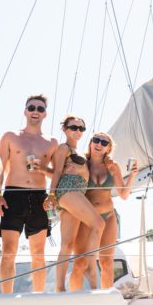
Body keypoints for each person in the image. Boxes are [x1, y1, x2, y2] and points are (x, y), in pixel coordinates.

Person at [0, 95, 58, 293]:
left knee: (38, 253)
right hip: (13, 194)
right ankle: (6, 297)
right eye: (31, 107)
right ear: (25, 111)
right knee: (8, 252)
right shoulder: (10, 136)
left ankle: (38, 296)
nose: (35, 111)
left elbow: (56, 174)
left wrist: (45, 176)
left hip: (39, 196)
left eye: (40, 109)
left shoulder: (52, 142)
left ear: (45, 114)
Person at [47, 116, 104, 291]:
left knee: (68, 244)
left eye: (81, 128)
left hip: (77, 193)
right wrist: (51, 194)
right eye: (73, 127)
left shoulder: (79, 152)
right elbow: (57, 172)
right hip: (68, 190)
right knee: (99, 223)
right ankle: (89, 266)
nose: (78, 131)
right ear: (65, 129)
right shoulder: (64, 148)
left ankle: (59, 288)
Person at [83, 131, 138, 288]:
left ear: (108, 148)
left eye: (104, 143)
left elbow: (123, 194)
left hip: (108, 217)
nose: (99, 144)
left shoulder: (112, 167)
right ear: (91, 143)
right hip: (88, 218)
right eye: (96, 140)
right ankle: (87, 296)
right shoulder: (82, 163)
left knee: (107, 262)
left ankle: (106, 296)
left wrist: (133, 175)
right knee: (86, 262)